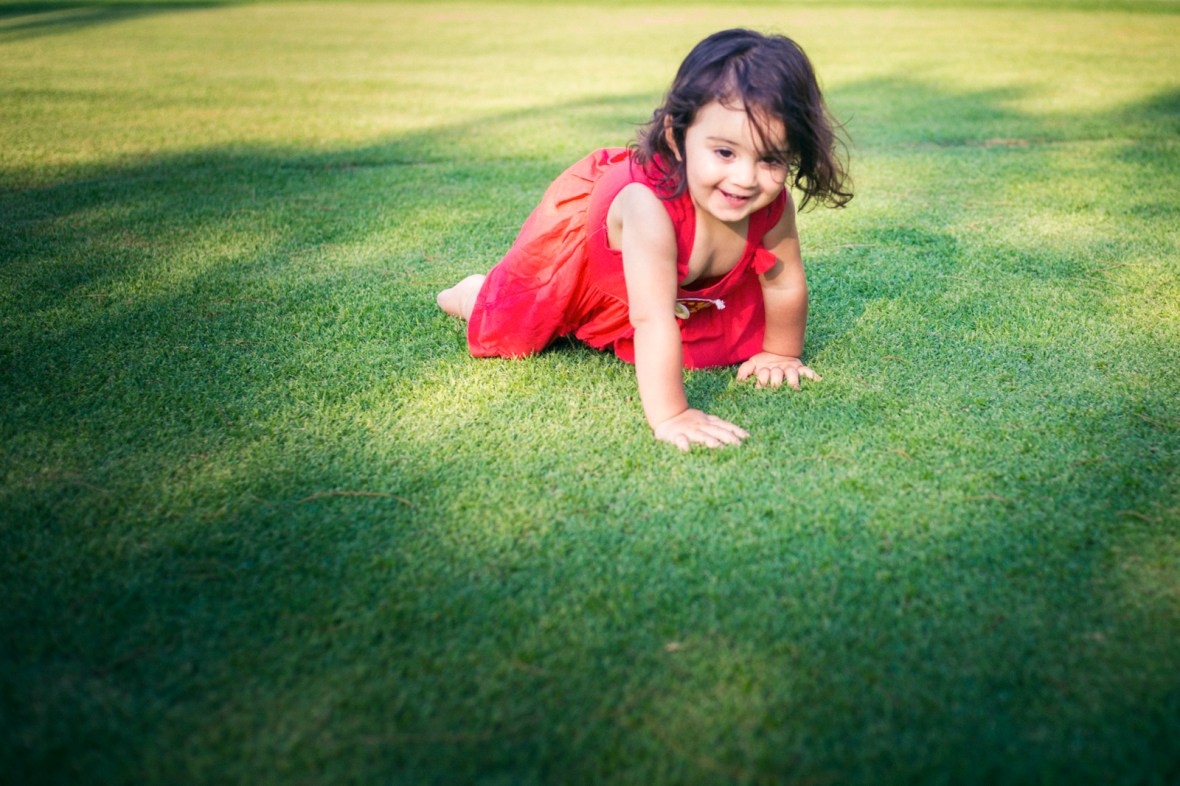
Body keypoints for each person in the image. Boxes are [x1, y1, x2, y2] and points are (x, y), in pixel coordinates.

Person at [437, 28, 852, 450]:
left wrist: (781, 353)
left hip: (669, 285)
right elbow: (652, 317)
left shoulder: (772, 205)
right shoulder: (648, 207)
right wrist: (672, 414)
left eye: (769, 159)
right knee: (512, 328)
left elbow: (783, 282)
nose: (745, 179)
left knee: (712, 343)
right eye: (725, 153)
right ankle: (474, 293)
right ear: (677, 136)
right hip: (589, 253)